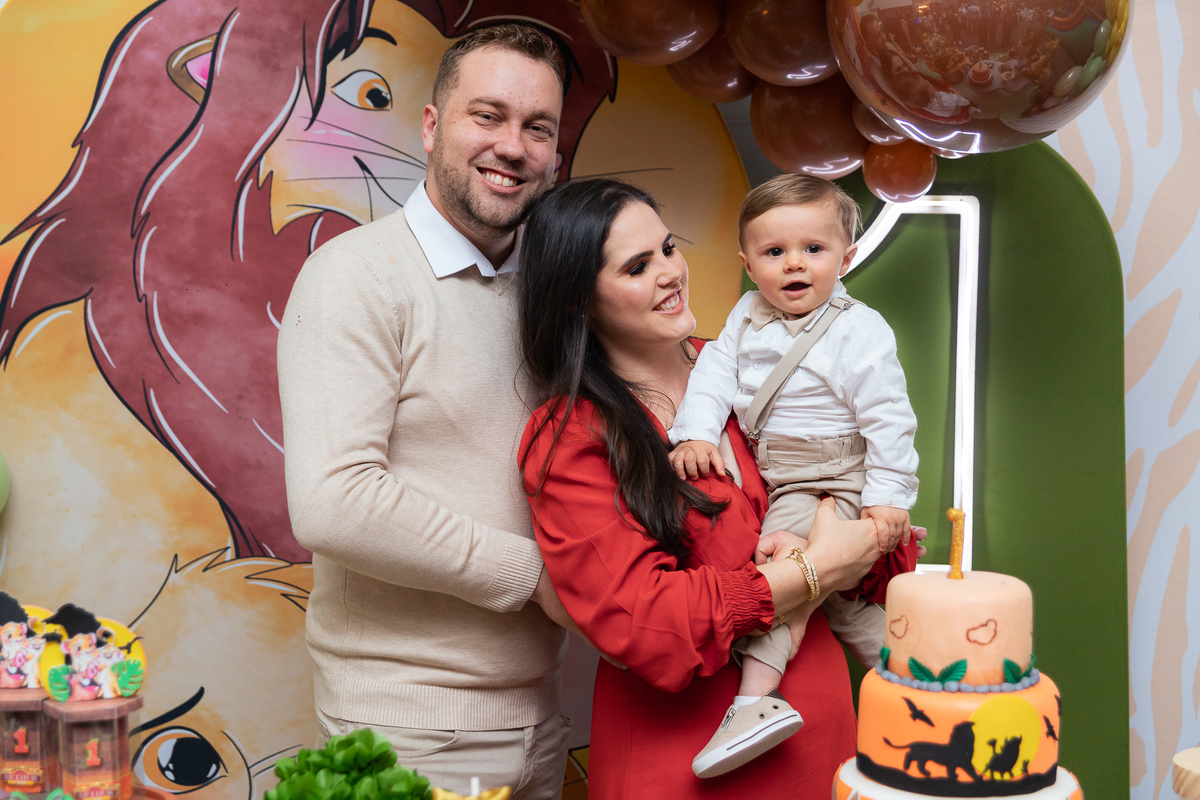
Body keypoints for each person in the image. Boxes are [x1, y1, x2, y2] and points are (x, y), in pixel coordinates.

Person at [517, 178, 923, 798]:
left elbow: (873, 540)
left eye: (668, 248)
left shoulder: (754, 363)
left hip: (825, 742)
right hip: (688, 762)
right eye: (637, 266)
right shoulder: (573, 434)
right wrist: (813, 570)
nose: (670, 273)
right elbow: (644, 625)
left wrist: (874, 538)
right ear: (579, 301)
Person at [277, 25, 586, 799]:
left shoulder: (555, 297)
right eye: (488, 115)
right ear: (431, 126)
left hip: (542, 717)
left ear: (555, 153)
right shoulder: (354, 276)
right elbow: (333, 501)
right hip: (409, 729)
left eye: (537, 127)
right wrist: (536, 577)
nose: (512, 146)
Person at [667, 174, 919, 777]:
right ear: (749, 265)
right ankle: (911, 678)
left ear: (846, 258)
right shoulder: (744, 316)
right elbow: (712, 376)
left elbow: (889, 417)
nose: (795, 264)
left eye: (814, 249)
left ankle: (754, 701)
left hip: (830, 473)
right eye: (775, 251)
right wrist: (696, 433)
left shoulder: (858, 328)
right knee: (839, 600)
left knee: (785, 574)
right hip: (779, 471)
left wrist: (887, 497)